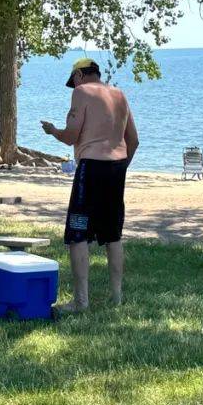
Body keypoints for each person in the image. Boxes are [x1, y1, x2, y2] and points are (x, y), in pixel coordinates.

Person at [40, 57, 138, 313]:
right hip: (116, 167)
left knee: (78, 232)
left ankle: (81, 301)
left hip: (91, 167)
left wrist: (53, 131)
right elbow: (133, 140)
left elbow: (71, 135)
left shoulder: (82, 92)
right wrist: (121, 167)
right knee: (113, 234)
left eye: (73, 81)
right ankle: (116, 297)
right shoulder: (119, 94)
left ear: (80, 76)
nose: (74, 87)